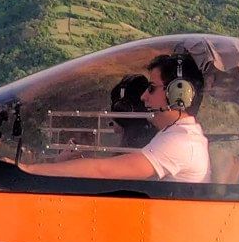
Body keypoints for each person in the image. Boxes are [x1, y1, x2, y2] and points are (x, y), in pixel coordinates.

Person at [31, 52, 210, 182]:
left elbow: (104, 171)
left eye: (152, 88)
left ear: (178, 94)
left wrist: (28, 170)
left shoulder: (180, 142)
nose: (144, 97)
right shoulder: (178, 135)